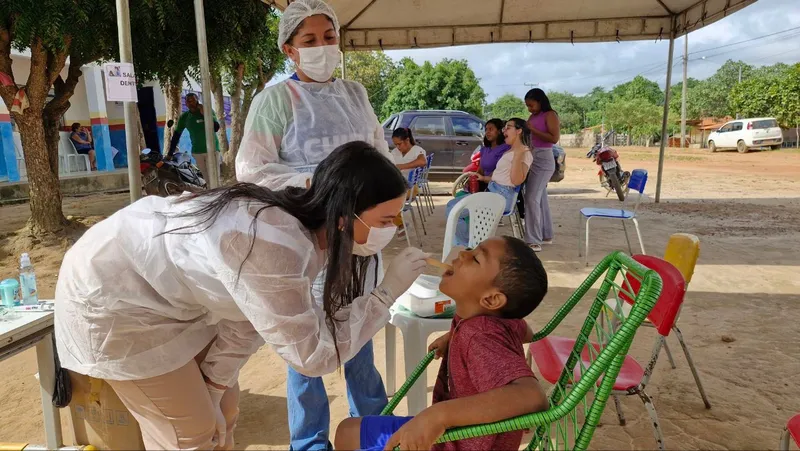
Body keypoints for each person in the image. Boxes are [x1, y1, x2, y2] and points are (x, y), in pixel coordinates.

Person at [54, 143, 429, 451]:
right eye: (385, 221)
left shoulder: (306, 235)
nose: (392, 230)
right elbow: (312, 356)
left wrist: (215, 390)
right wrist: (385, 294)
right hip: (111, 300)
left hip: (163, 297)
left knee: (226, 409)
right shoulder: (274, 244)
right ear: (346, 216)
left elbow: (248, 317)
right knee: (190, 433)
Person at [236, 2, 395, 448]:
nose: (323, 47)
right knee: (305, 349)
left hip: (361, 236)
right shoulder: (274, 102)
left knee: (360, 335)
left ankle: (372, 430)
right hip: (306, 239)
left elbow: (378, 155)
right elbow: (252, 171)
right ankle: (309, 442)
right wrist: (317, 179)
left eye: (329, 37)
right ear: (289, 49)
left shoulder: (356, 95)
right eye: (309, 41)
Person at [334, 236, 550, 451]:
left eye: (475, 259)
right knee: (347, 431)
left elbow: (532, 395)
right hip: (455, 435)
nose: (463, 253)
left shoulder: (478, 335)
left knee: (347, 434)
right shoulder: (490, 319)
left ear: (492, 300)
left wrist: (440, 416)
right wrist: (453, 337)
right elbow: (525, 331)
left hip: (456, 442)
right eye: (472, 249)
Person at [445, 118, 533, 247]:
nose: (504, 131)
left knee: (454, 208)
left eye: (508, 127)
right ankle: (467, 243)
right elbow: (501, 176)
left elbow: (516, 181)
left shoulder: (524, 153)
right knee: (453, 206)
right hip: (494, 191)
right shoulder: (511, 150)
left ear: (519, 131)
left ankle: (467, 245)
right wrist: (483, 178)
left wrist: (518, 155)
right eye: (504, 128)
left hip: (502, 196)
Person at [523, 88, 560, 252]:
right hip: (533, 156)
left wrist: (533, 130)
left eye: (531, 105)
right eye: (527, 107)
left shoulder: (550, 114)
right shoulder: (533, 116)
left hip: (544, 159)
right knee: (540, 197)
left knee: (531, 198)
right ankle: (546, 235)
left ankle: (533, 240)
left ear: (539, 101)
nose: (529, 109)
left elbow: (554, 138)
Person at [168, 92, 221, 181]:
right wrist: (170, 153)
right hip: (197, 152)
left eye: (193, 100)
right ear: (186, 103)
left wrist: (205, 114)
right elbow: (176, 135)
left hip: (212, 150)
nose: (191, 103)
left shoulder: (207, 111)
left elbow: (216, 128)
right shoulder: (184, 117)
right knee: (207, 179)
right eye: (188, 101)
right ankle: (209, 193)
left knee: (215, 178)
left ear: (197, 101)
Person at [475, 118, 510, 184]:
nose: (487, 132)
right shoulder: (485, 149)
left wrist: (485, 180)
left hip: (495, 185)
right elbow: (481, 169)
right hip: (483, 183)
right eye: (486, 130)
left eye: (490, 129)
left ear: (499, 131)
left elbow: (498, 171)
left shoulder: (505, 149)